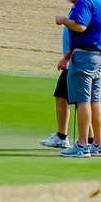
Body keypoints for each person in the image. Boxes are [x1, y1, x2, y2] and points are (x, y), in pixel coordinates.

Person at [53, 0, 101, 158]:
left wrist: (63, 20)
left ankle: (81, 145)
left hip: (85, 56)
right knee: (95, 101)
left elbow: (80, 25)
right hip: (100, 56)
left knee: (83, 101)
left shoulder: (85, 1)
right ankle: (97, 144)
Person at [40, 18, 74, 149]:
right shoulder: (78, 7)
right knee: (61, 97)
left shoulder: (84, 6)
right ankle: (62, 136)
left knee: (83, 102)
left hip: (75, 63)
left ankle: (90, 141)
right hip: (72, 63)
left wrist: (67, 58)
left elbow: (81, 35)